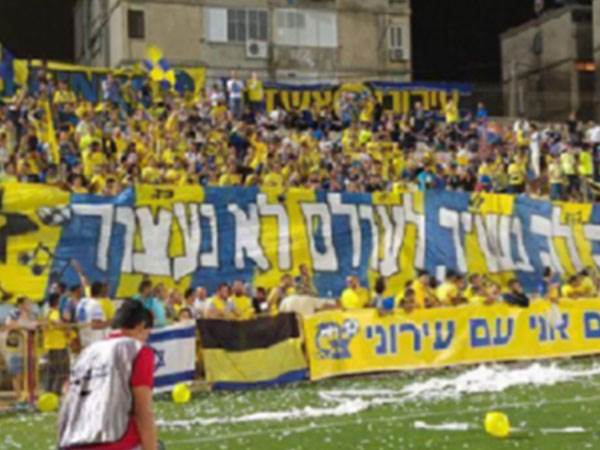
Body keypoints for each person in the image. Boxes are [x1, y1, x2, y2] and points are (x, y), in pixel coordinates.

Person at [58, 301, 158, 450]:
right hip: (116, 442)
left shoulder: (87, 352)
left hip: (72, 441)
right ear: (140, 327)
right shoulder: (138, 350)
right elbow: (142, 409)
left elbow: (67, 398)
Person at [4, 297, 37, 402]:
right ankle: (18, 397)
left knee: (29, 373)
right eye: (27, 303)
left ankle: (28, 396)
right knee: (16, 373)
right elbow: (10, 324)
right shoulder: (14, 313)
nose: (30, 305)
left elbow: (36, 326)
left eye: (30, 303)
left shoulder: (32, 315)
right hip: (15, 347)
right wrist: (26, 326)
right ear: (20, 305)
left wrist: (26, 325)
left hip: (29, 347)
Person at [43, 293, 70, 394]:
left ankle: (49, 392)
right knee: (60, 371)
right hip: (56, 346)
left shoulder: (49, 312)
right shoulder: (54, 312)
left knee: (53, 371)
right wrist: (66, 324)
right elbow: (58, 323)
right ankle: (55, 393)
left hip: (55, 345)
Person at [76, 281, 108, 348]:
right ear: (101, 292)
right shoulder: (95, 304)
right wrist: (111, 322)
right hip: (94, 342)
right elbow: (95, 325)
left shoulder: (82, 302)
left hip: (84, 339)